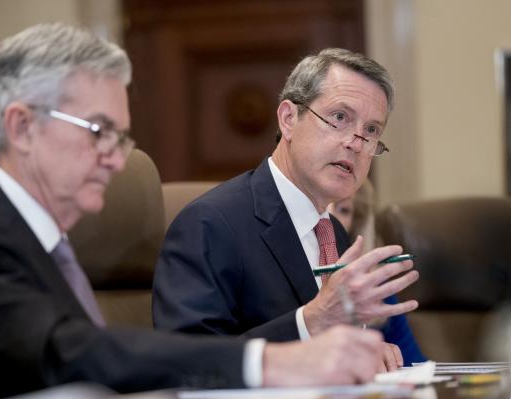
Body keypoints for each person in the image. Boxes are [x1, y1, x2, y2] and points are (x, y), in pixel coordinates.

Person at [0, 24, 387, 399]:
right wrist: (273, 359)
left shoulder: (42, 244)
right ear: (23, 127)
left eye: (121, 136)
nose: (117, 160)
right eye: (99, 132)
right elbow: (69, 354)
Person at [153, 48, 426, 367]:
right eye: (339, 118)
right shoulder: (209, 225)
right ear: (288, 119)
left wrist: (361, 354)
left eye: (371, 131)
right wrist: (309, 323)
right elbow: (185, 363)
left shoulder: (334, 233)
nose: (355, 143)